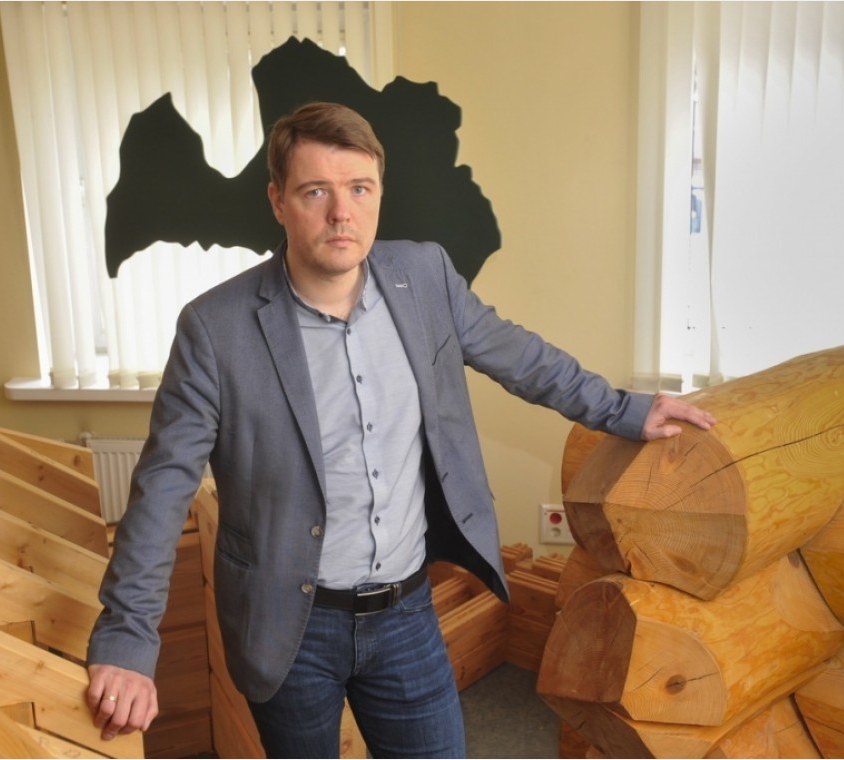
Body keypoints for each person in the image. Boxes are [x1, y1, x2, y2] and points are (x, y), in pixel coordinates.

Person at [85, 101, 716, 758]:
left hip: (407, 614)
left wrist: (625, 409)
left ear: (379, 194)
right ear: (278, 201)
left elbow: (524, 359)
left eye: (359, 188)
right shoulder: (216, 329)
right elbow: (163, 489)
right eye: (315, 191)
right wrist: (128, 639)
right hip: (287, 624)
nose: (342, 212)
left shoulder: (425, 276)